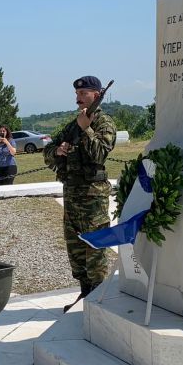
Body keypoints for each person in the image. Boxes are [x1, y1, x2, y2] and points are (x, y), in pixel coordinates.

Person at [43, 76, 117, 298]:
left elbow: (99, 154)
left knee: (94, 250)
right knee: (75, 250)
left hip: (93, 200)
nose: (78, 99)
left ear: (96, 95)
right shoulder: (72, 125)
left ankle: (98, 296)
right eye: (76, 94)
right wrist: (58, 151)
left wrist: (87, 130)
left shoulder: (104, 124)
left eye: (83, 94)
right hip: (72, 197)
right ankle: (85, 293)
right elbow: (47, 154)